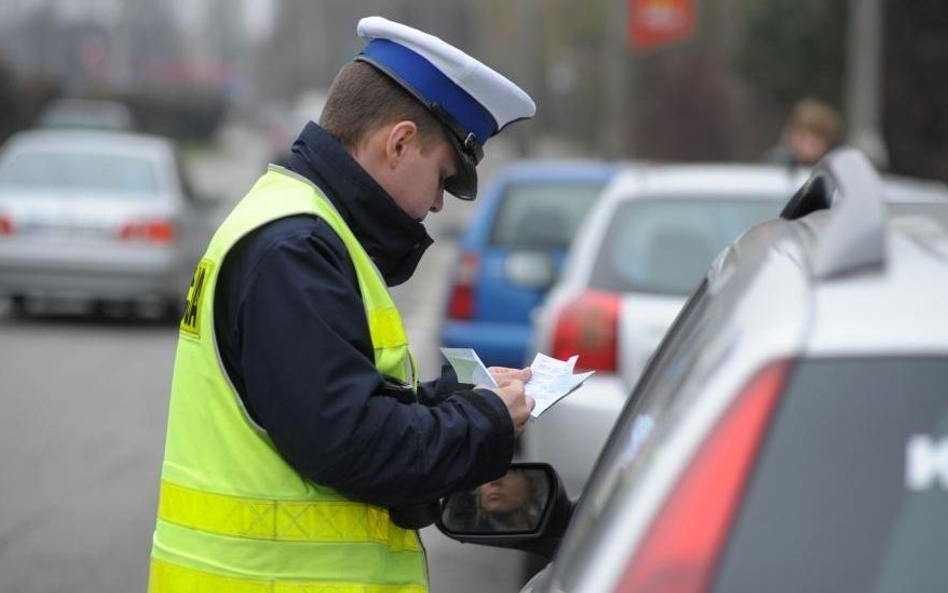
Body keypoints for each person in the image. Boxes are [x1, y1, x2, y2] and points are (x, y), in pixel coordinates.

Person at [148, 16, 536, 593]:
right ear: (399, 142)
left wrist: (461, 399)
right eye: (441, 177)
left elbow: (343, 402)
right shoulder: (295, 249)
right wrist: (484, 423)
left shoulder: (302, 229)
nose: (435, 204)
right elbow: (355, 444)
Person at [764, 97, 842, 167]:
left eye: (814, 142)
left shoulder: (835, 168)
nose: (807, 146)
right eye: (802, 138)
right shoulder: (775, 163)